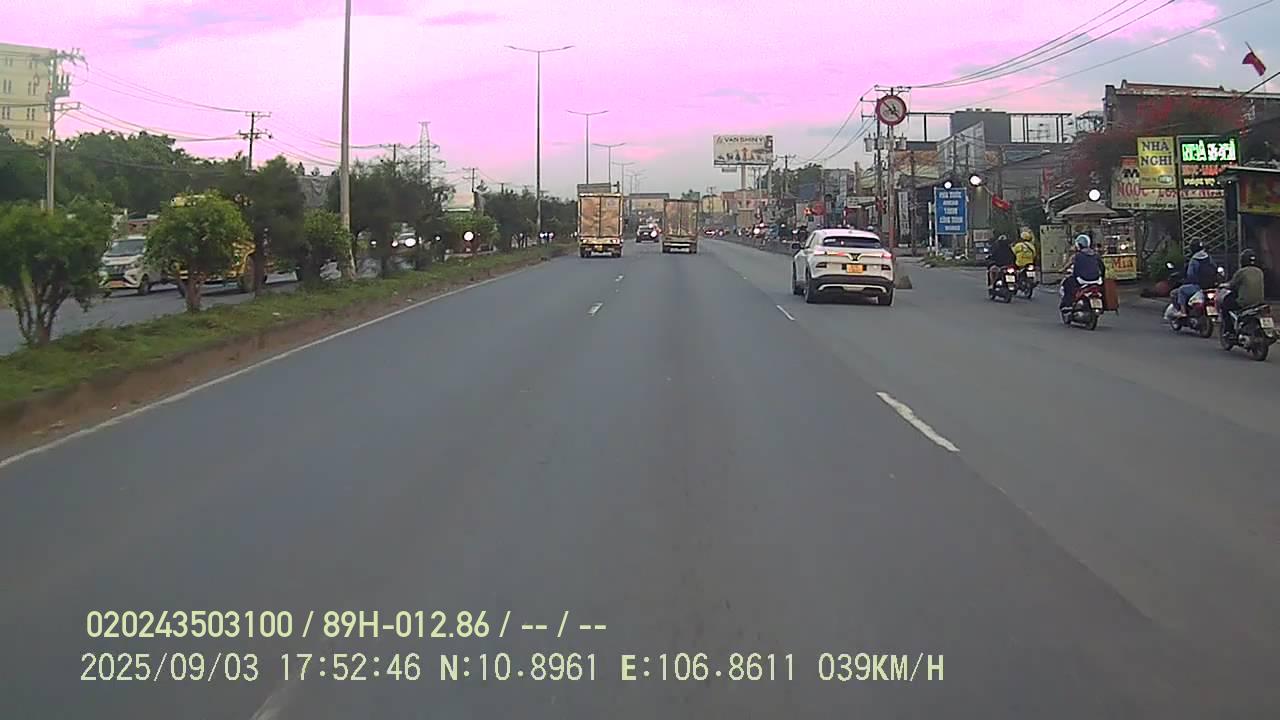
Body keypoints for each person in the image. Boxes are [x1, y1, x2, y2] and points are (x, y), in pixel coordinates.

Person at [1219, 249, 1266, 336]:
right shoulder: (1260, 271)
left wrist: (1223, 285)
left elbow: (1232, 285)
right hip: (1260, 302)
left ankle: (1229, 330)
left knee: (1225, 305)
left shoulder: (1241, 272)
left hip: (1244, 302)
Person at [1060, 234, 1105, 310]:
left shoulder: (1077, 256)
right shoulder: (1096, 255)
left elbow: (1069, 266)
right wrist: (1102, 277)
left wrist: (1061, 270)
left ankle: (1067, 304)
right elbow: (1102, 267)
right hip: (1097, 280)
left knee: (1067, 283)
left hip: (1082, 280)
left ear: (1078, 245)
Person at [1173, 242, 1218, 315]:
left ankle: (1183, 312)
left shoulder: (1194, 259)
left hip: (1198, 286)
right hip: (1211, 286)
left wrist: (1186, 280)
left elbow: (1190, 275)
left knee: (1181, 291)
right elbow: (1215, 268)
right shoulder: (1208, 257)